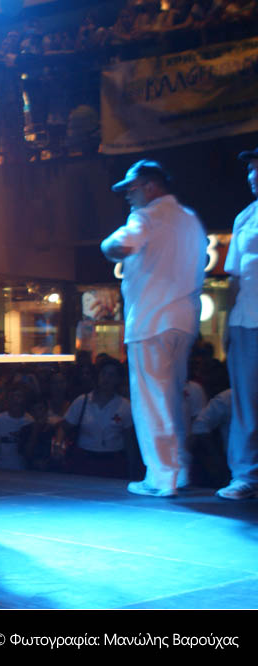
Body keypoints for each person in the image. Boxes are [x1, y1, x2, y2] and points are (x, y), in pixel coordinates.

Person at [99, 159, 206, 497]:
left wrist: (106, 246)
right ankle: (180, 470)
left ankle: (161, 477)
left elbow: (121, 245)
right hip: (183, 320)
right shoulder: (190, 219)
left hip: (151, 320)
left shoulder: (145, 216)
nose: (128, 196)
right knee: (173, 397)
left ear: (150, 186)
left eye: (132, 189)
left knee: (151, 400)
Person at [220, 147, 258, 500]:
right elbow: (233, 277)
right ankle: (245, 476)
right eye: (249, 169)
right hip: (245, 322)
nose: (252, 175)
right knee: (246, 402)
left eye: (257, 168)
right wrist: (226, 323)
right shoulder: (245, 217)